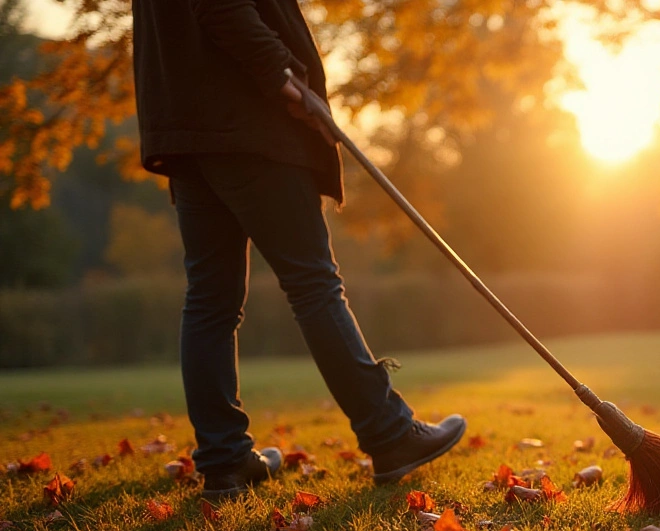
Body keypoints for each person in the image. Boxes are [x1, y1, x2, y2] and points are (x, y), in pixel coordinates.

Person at [131, 0, 465, 500]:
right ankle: (389, 433)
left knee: (211, 300)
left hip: (187, 129)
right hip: (246, 122)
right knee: (312, 284)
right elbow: (222, 7)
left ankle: (224, 461)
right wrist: (281, 75)